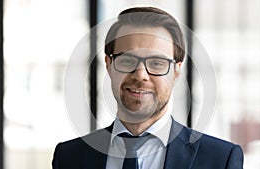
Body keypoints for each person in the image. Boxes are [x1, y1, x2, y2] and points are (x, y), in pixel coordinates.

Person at [52, 7, 244, 169]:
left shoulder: (220, 159)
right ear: (108, 65)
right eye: (127, 61)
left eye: (157, 63)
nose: (141, 75)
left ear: (176, 71)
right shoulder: (69, 157)